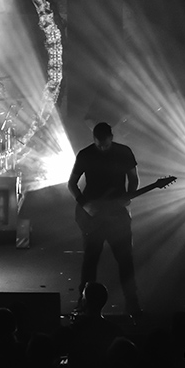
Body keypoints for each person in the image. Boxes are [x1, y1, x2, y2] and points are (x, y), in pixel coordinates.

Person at [67, 121, 142, 317]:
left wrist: (129, 195)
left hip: (117, 215)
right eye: (99, 144)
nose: (102, 147)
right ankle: (83, 304)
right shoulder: (85, 154)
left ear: (111, 138)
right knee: (90, 261)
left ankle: (132, 304)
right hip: (93, 216)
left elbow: (134, 179)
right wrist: (85, 205)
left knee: (125, 260)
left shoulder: (124, 153)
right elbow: (72, 184)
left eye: (106, 144)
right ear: (94, 139)